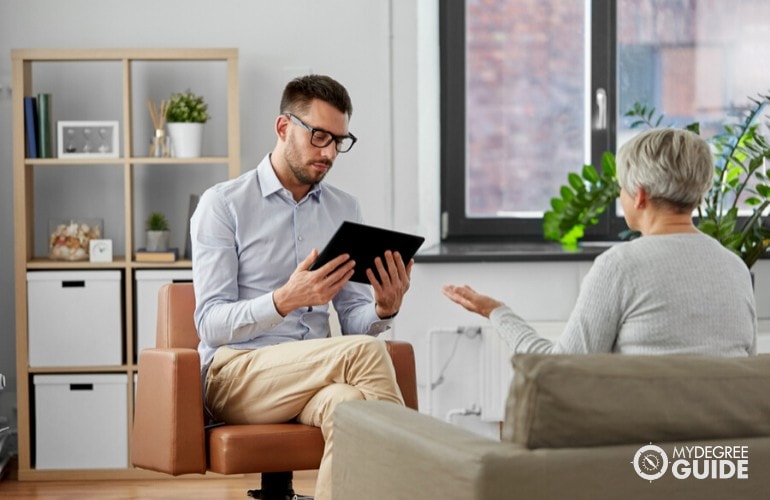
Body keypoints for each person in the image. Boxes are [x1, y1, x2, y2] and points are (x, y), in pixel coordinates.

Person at [190, 74, 413, 500]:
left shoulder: (344, 207)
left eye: (339, 141)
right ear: (283, 127)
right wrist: (283, 300)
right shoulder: (223, 205)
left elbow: (353, 321)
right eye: (319, 136)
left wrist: (383, 310)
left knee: (351, 408)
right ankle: (419, 480)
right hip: (236, 374)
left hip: (315, 375)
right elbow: (210, 325)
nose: (329, 152)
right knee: (368, 353)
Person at [443, 127, 756, 356]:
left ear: (641, 194)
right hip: (729, 444)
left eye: (622, 187)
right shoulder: (736, 268)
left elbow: (563, 370)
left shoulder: (620, 267)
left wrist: (496, 312)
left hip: (644, 444)